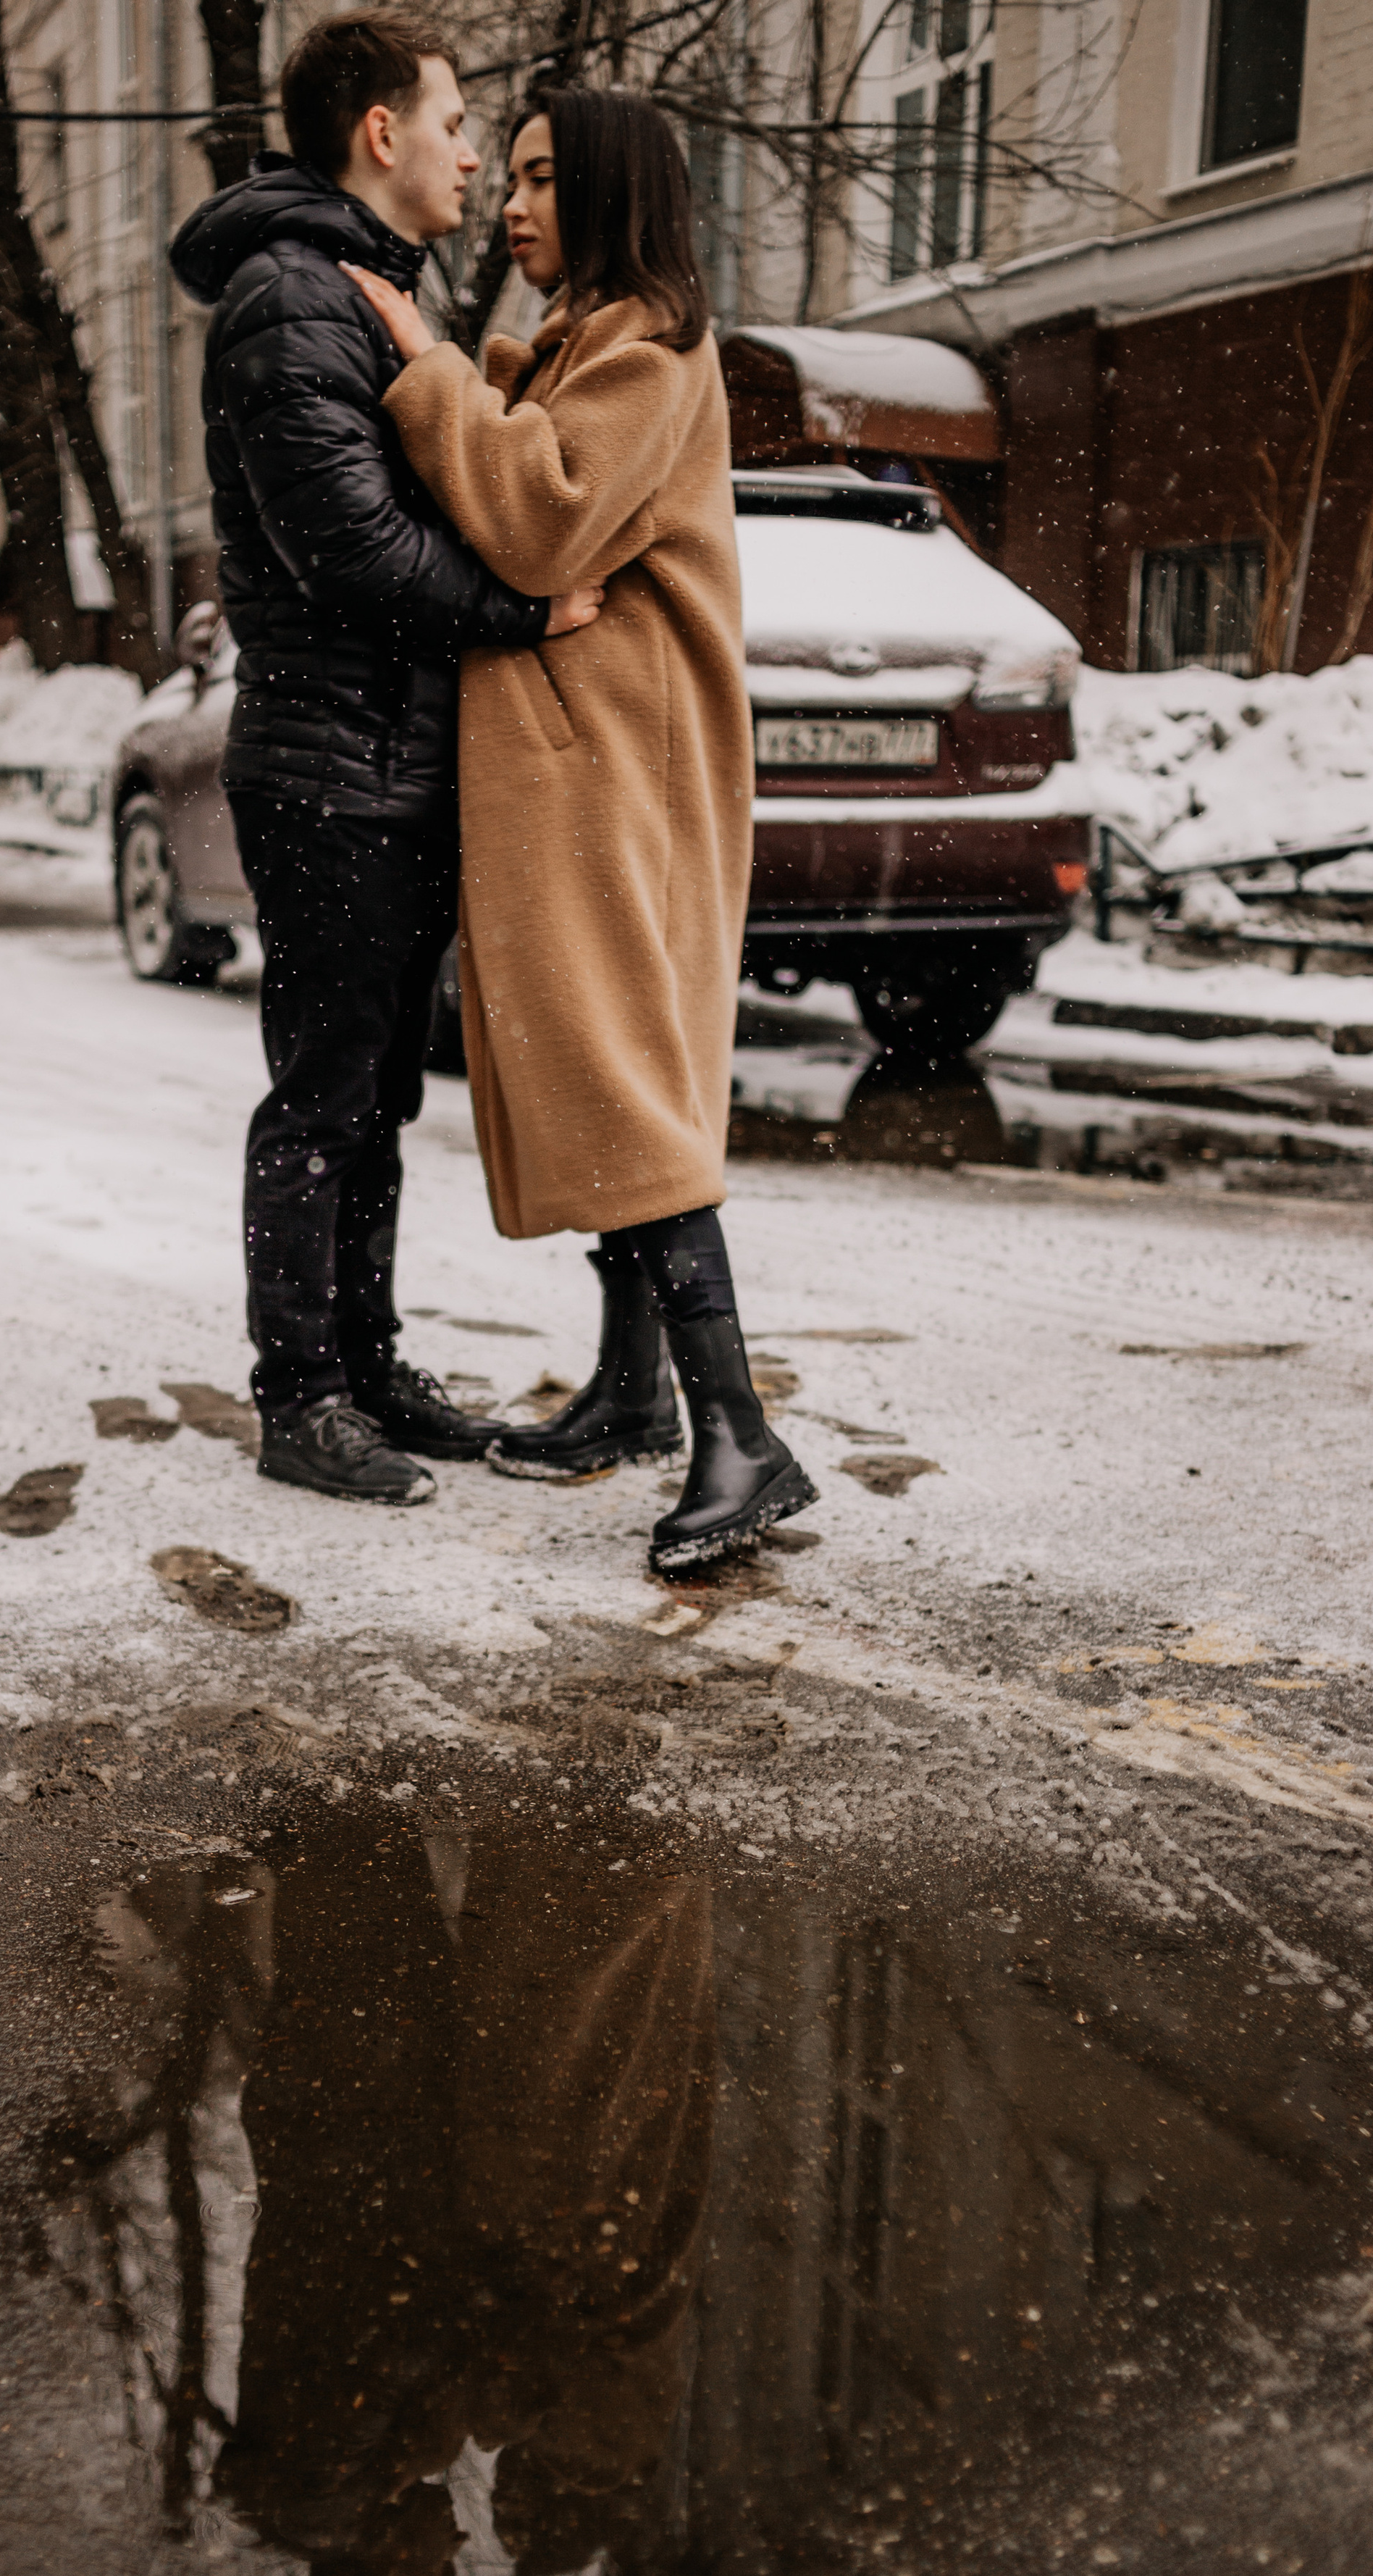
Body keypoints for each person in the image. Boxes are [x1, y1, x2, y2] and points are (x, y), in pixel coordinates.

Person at [342, 88, 819, 1574]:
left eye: (543, 179)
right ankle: (631, 1395)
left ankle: (740, 1434)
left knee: (623, 1086)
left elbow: (541, 519)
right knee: (610, 1073)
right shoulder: (596, 341)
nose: (513, 205)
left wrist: (427, 371)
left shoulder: (650, 348)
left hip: (625, 773)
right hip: (598, 761)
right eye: (512, 177)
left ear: (610, 190)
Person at [168, 15, 602, 1508]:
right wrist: (523, 612)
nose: (472, 152)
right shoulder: (292, 298)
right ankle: (299, 1396)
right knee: (322, 1093)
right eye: (455, 120)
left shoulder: (364, 292)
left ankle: (363, 1358)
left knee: (377, 1096)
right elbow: (348, 548)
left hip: (391, 758)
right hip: (327, 759)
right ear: (377, 133)